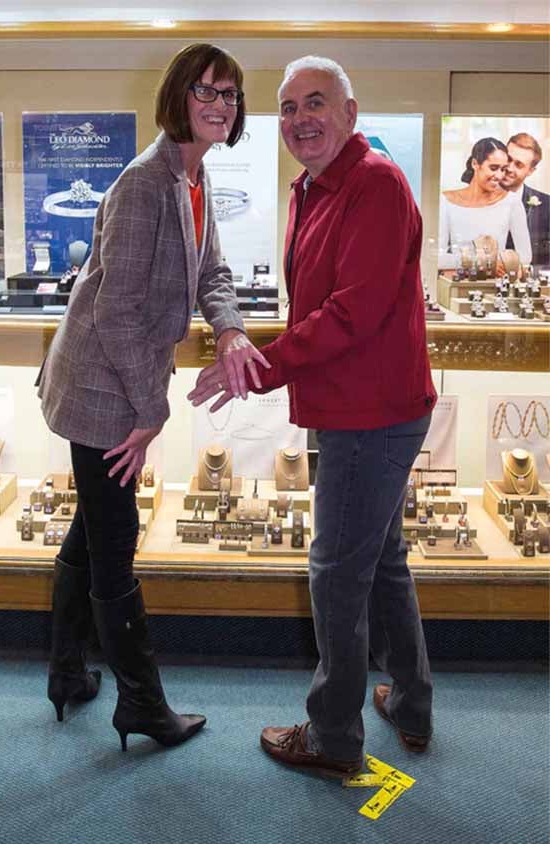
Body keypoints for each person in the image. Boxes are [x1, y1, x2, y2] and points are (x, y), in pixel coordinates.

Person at [189, 55, 438, 776]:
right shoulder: (312, 187)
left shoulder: (377, 185)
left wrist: (256, 365)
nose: (301, 118)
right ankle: (412, 703)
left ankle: (333, 738)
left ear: (351, 113)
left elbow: (351, 312)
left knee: (335, 575)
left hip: (371, 414)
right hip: (355, 406)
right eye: (289, 106)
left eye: (316, 103)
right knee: (382, 561)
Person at [37, 42, 268, 751]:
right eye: (207, 92)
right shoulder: (145, 182)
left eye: (229, 95)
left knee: (94, 523)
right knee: (114, 538)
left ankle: (68, 670)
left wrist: (229, 333)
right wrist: (150, 411)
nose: (220, 105)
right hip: (102, 389)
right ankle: (140, 701)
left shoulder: (192, 177)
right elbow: (116, 313)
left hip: (122, 380)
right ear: (179, 98)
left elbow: (214, 272)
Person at [437, 136, 532, 268]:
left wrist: (501, 264)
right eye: (493, 168)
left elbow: (525, 256)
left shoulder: (512, 202)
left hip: (497, 284)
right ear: (475, 164)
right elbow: (436, 257)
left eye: (503, 169)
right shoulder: (446, 201)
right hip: (459, 284)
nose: (499, 176)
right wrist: (484, 263)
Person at [502, 132, 550, 267]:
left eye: (519, 164)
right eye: (508, 159)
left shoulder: (548, 206)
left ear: (530, 171)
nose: (510, 168)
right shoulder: (477, 200)